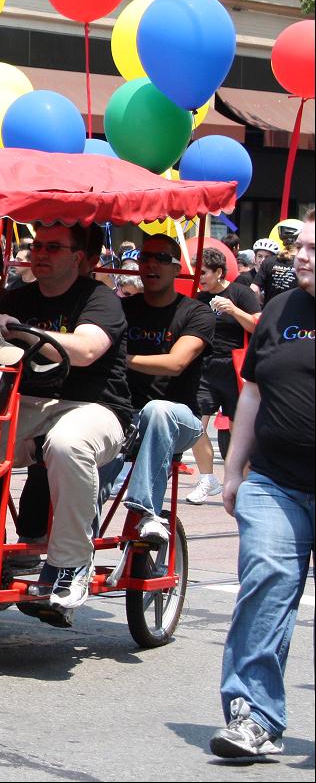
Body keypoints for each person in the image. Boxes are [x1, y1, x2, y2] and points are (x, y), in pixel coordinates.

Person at [0, 221, 135, 622]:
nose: (41, 254)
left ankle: (70, 563)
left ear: (77, 257)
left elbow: (86, 349)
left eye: (54, 247)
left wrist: (21, 331)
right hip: (30, 405)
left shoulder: (101, 299)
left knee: (69, 442)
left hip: (95, 408)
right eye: (37, 246)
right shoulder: (16, 298)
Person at [210, 213, 313, 761]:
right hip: (275, 481)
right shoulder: (277, 308)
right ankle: (254, 717)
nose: (301, 255)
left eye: (315, 249)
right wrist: (233, 470)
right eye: (302, 246)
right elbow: (251, 392)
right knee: (266, 587)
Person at [113, 234, 215, 544]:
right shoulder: (122, 308)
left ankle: (147, 509)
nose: (151, 264)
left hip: (179, 418)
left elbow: (176, 363)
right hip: (124, 416)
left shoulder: (196, 312)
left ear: (176, 268)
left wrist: (122, 358)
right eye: (145, 258)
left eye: (161, 259)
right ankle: (72, 548)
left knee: (158, 410)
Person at [187, 247, 259, 504]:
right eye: (196, 271)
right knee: (195, 422)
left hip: (235, 366)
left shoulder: (240, 292)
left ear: (218, 272)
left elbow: (258, 325)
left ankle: (244, 482)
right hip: (205, 365)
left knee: (241, 429)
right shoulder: (198, 298)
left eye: (203, 272)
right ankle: (207, 478)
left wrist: (233, 310)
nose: (200, 277)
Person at [253, 226, 298, 303]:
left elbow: (254, 289)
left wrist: (264, 302)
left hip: (270, 310)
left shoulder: (268, 261)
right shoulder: (301, 262)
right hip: (294, 311)